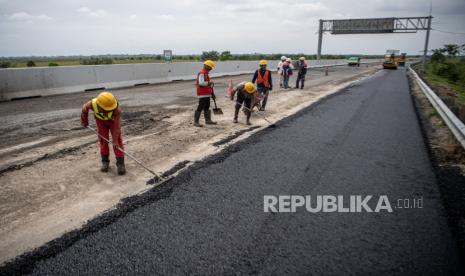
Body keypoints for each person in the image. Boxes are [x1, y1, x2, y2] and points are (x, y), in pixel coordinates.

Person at [80, 91, 126, 175]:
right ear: (99, 105)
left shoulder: (116, 109)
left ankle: (120, 164)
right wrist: (84, 121)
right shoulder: (91, 104)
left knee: (118, 141)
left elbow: (116, 127)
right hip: (100, 122)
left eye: (110, 109)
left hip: (112, 122)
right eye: (106, 109)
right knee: (103, 140)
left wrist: (115, 140)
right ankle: (105, 162)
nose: (109, 110)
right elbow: (84, 110)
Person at [195, 60, 217, 127]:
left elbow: (208, 85)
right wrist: (209, 83)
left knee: (207, 107)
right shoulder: (202, 73)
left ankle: (208, 120)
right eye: (210, 67)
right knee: (200, 107)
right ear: (206, 66)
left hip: (207, 93)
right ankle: (196, 122)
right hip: (202, 93)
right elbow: (201, 83)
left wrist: (212, 93)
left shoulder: (206, 73)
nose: (211, 69)